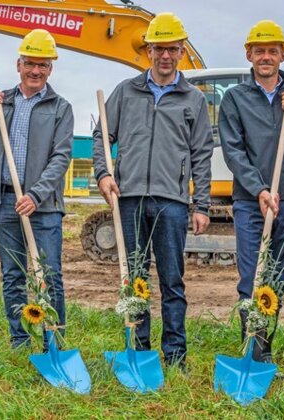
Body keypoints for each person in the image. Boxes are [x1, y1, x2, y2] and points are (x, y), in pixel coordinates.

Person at [92, 12, 213, 369]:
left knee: (172, 280)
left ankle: (175, 355)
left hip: (172, 203)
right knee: (135, 278)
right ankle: (138, 351)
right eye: (158, 48)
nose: (165, 55)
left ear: (180, 52)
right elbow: (102, 134)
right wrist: (103, 174)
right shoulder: (126, 92)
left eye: (172, 49)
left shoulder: (193, 99)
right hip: (128, 198)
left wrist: (201, 204)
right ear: (148, 50)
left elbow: (202, 153)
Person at [218, 20, 284, 363]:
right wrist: (260, 188)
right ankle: (252, 353)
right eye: (260, 51)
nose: (266, 57)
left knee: (279, 276)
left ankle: (264, 347)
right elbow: (233, 151)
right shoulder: (234, 98)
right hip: (250, 201)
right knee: (252, 276)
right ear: (249, 55)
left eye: (272, 51)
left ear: (283, 55)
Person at [0, 29, 73, 349]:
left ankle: (53, 342)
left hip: (43, 206)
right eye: (30, 63)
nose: (36, 71)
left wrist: (36, 194)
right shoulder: (4, 103)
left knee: (49, 276)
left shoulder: (61, 107)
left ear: (51, 69)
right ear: (19, 64)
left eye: (43, 65)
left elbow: (61, 157)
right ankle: (19, 341)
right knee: (13, 275)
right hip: (5, 202)